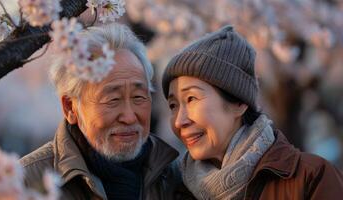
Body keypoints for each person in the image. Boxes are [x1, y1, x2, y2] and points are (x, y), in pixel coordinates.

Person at [161, 25, 343, 200]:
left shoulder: (311, 178)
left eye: (191, 98)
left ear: (239, 103)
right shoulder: (171, 190)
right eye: (173, 105)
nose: (179, 121)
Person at [20, 23, 192, 200]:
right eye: (113, 100)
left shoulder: (177, 179)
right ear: (70, 107)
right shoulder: (24, 183)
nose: (129, 117)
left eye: (139, 97)